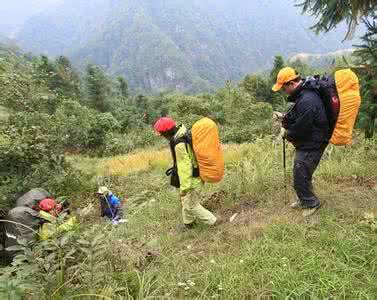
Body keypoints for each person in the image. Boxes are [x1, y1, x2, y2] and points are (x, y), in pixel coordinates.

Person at [272, 67, 329, 217]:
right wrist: (284, 117)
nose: (284, 91)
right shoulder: (304, 94)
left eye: (283, 87)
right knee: (303, 172)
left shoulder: (307, 99)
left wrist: (287, 134)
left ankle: (311, 203)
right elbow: (299, 117)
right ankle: (304, 198)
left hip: (314, 142)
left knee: (300, 173)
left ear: (290, 83)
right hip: (310, 140)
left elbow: (302, 128)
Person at [153, 117, 217, 229]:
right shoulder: (183, 132)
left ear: (166, 133)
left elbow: (185, 168)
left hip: (192, 180)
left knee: (191, 205)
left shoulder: (179, 144)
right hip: (195, 175)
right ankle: (189, 224)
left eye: (162, 135)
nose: (163, 137)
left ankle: (213, 222)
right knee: (186, 202)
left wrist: (184, 188)